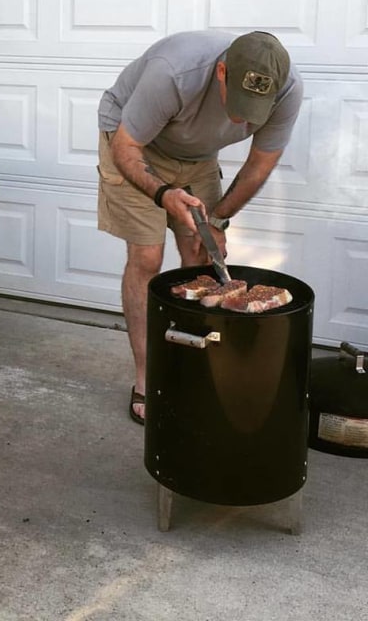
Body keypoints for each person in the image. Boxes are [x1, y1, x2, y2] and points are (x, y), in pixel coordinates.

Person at [97, 30, 303, 425]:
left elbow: (259, 165)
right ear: (222, 72)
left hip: (197, 153)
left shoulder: (288, 89)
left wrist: (220, 220)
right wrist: (162, 195)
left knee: (201, 252)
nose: (242, 119)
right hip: (135, 143)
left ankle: (194, 360)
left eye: (254, 109)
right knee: (147, 255)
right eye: (239, 104)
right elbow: (125, 147)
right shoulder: (175, 72)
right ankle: (147, 378)